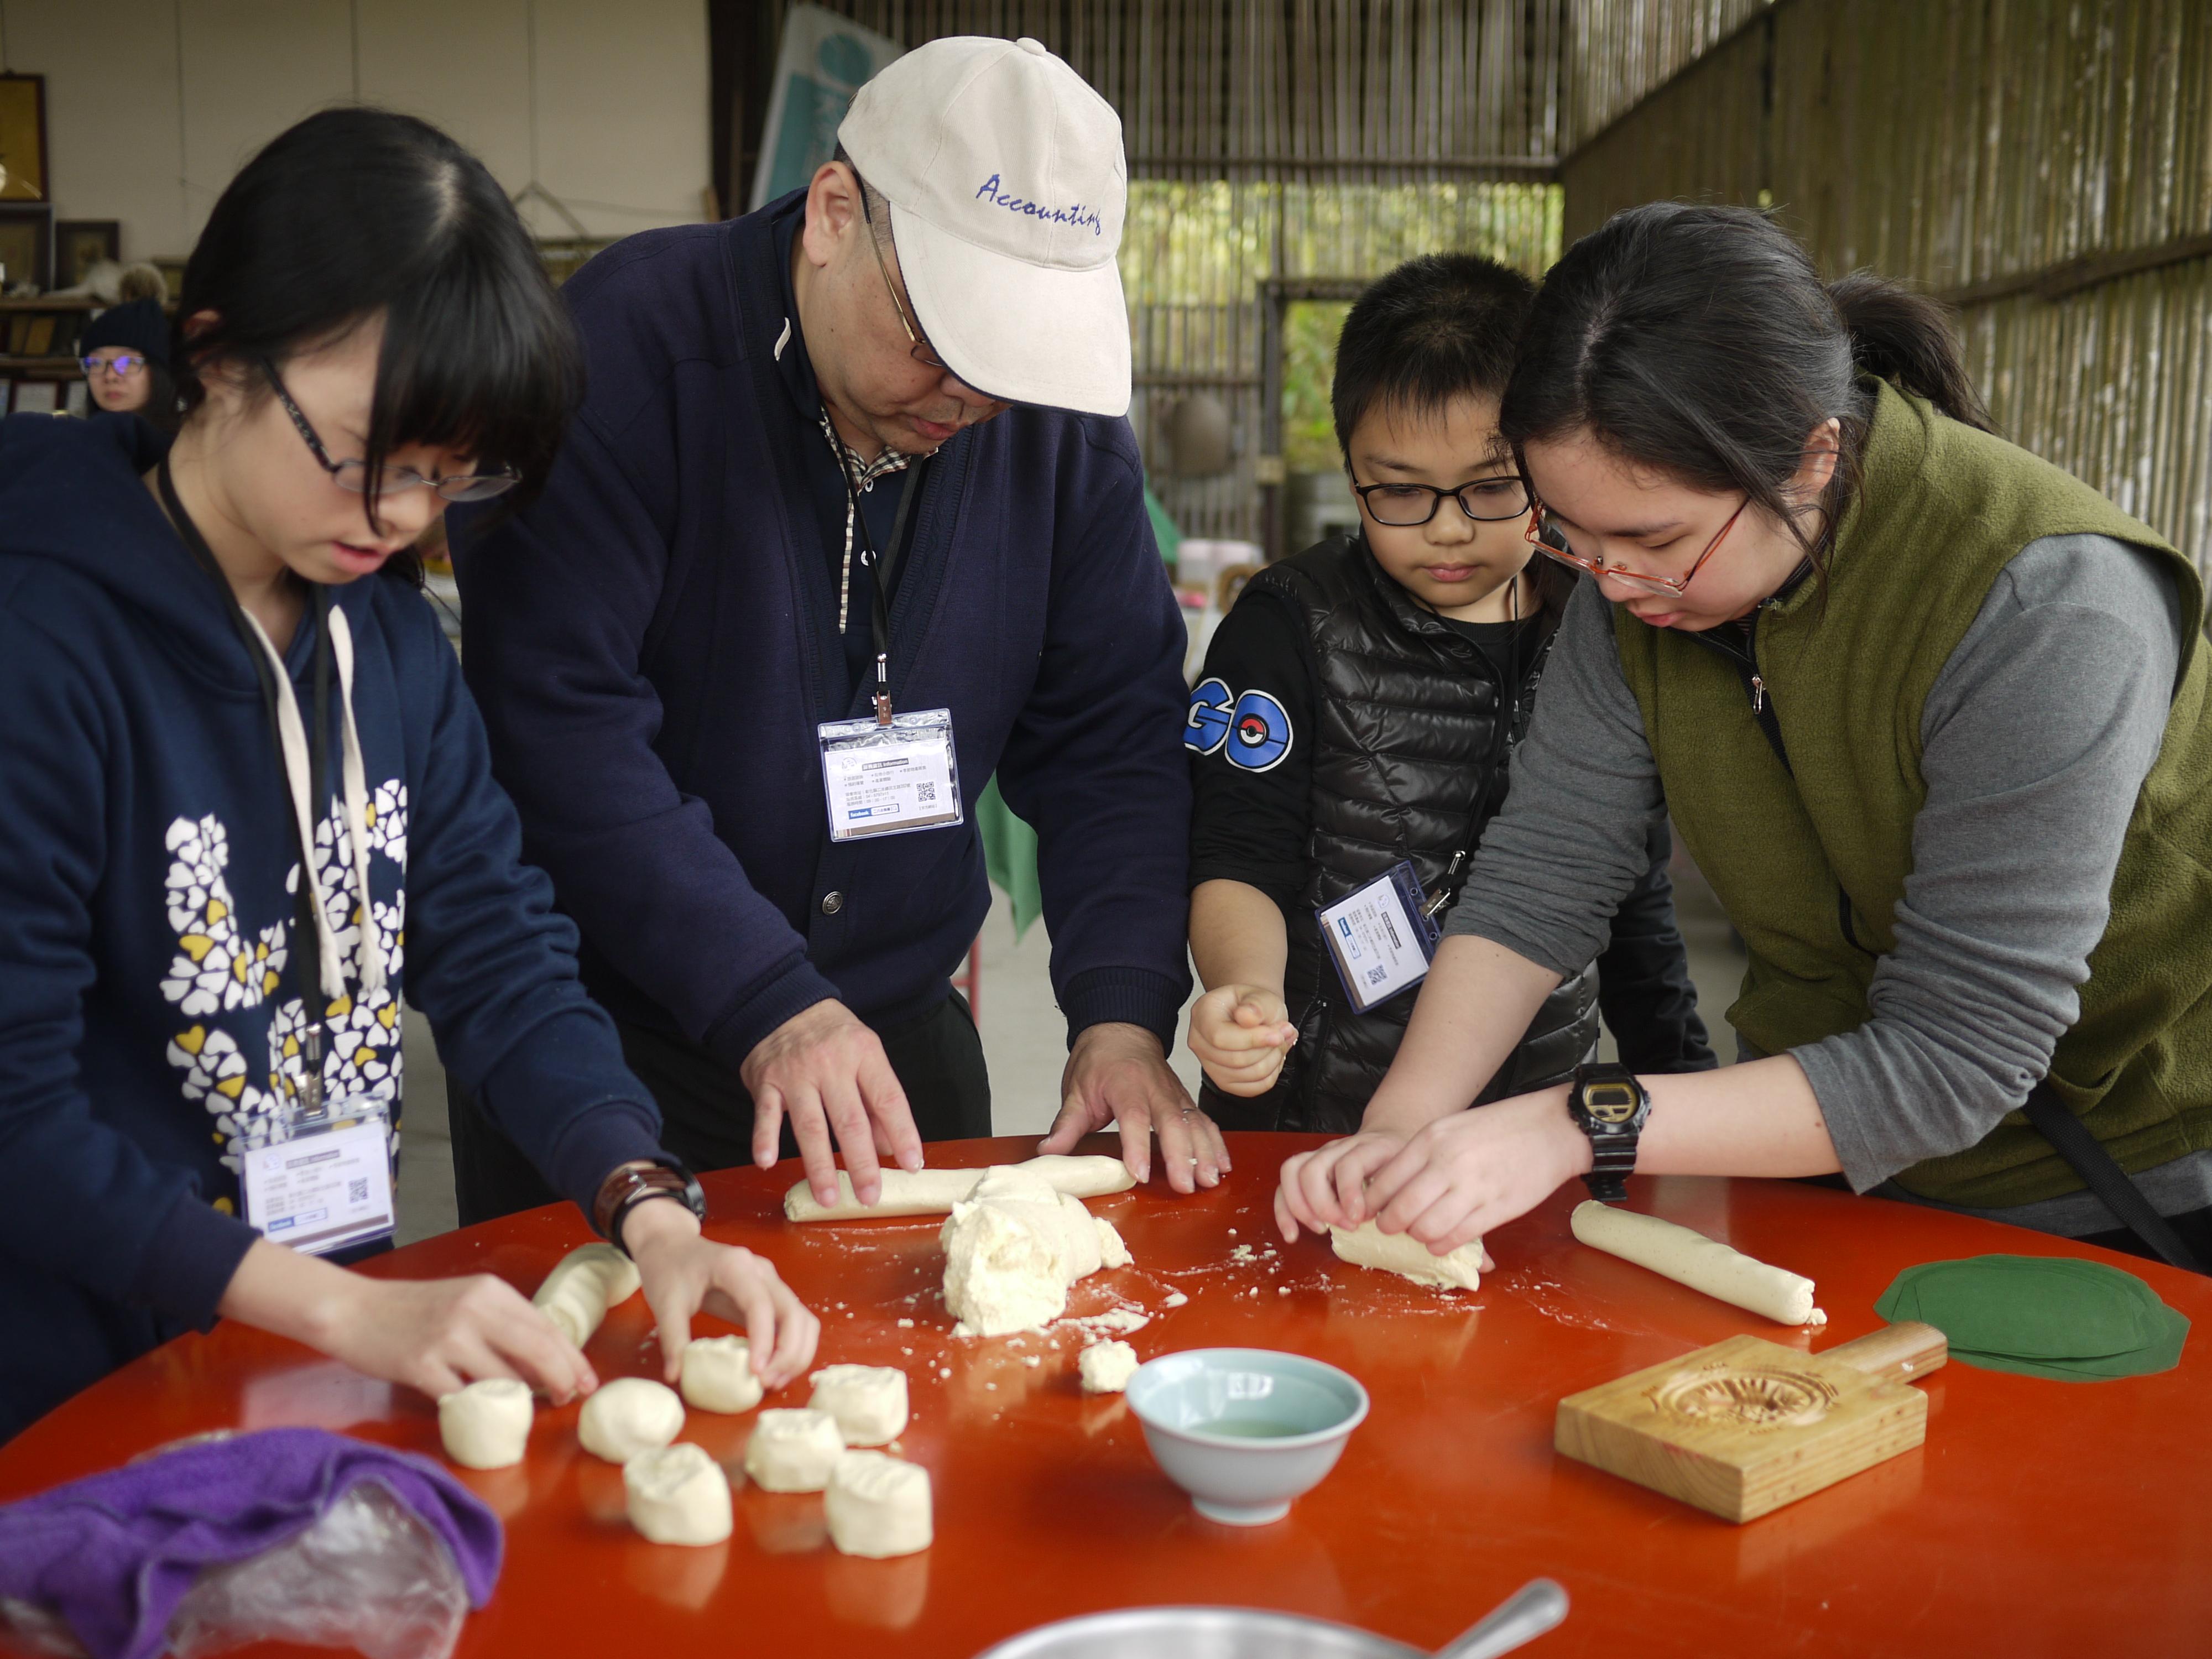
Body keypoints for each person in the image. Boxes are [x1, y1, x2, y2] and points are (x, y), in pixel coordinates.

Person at [0, 108, 817, 1444]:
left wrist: (649, 1203)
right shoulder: (40, 639)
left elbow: (495, 950)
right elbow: (14, 1116)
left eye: (451, 476)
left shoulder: (380, 636)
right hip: (71, 1379)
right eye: (363, 454)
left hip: (305, 1334)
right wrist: (350, 1312)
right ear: (214, 355)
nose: (400, 517)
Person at [1275, 202, 2212, 1273]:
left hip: (2120, 1186)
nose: (1611, 584)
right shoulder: (1628, 587)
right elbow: (1543, 876)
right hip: (1824, 1161)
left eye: (1653, 538)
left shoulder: (2048, 609)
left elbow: (1958, 1054)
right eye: (1566, 534)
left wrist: (1571, 1122)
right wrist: (1402, 1123)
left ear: (1812, 458)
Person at [448, 35, 1223, 1224]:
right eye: (942, 344)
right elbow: (559, 730)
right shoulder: (623, 352)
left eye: (1013, 366)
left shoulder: (1054, 438)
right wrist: (759, 991)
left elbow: (1112, 736)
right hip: (612, 1044)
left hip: (895, 1046)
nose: (971, 401)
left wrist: (1120, 1013)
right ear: (832, 213)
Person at [1185, 254, 1712, 1132]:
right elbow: (1239, 853)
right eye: (1398, 491)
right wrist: (1244, 993)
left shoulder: (1607, 619)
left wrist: (1681, 1075)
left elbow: (1634, 895)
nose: (1448, 527)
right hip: (1313, 1115)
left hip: (1532, 1133)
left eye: (1494, 486)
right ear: (1348, 463)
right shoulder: (1289, 626)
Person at [77, 298, 180, 431]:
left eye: (128, 362)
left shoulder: (192, 443)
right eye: (96, 363)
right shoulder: (73, 440)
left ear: (159, 371)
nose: (110, 376)